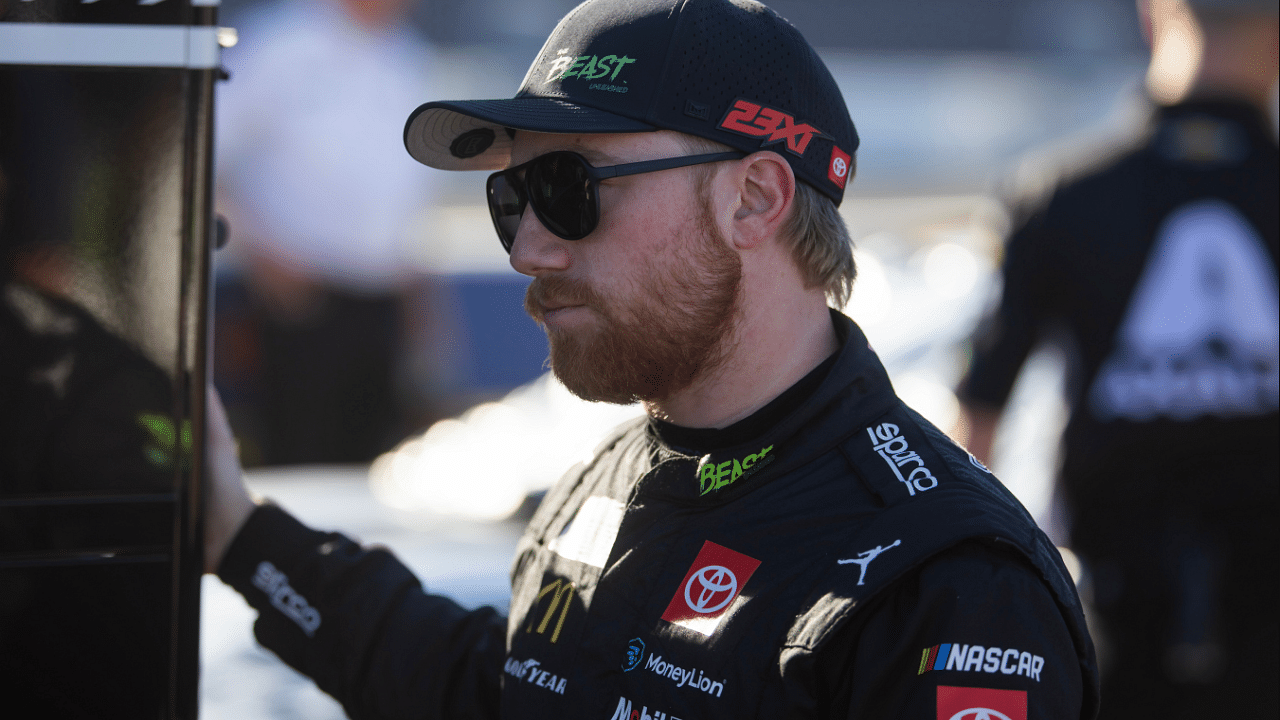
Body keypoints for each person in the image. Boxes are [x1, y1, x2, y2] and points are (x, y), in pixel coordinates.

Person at [205, 0, 1100, 717]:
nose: (529, 249)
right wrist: (240, 533)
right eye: (514, 196)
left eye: (570, 188)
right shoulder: (603, 481)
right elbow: (497, 691)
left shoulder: (950, 585)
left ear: (754, 198)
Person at [956, 0, 1278, 717]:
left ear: (1155, 16)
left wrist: (976, 594)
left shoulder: (1060, 192)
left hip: (1109, 612)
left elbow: (977, 420)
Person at [213, 0, 444, 465]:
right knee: (299, 463)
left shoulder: (409, 56)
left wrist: (420, 297)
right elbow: (203, 156)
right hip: (295, 303)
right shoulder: (278, 44)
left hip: (383, 300)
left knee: (377, 464)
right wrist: (261, 256)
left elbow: (406, 193)